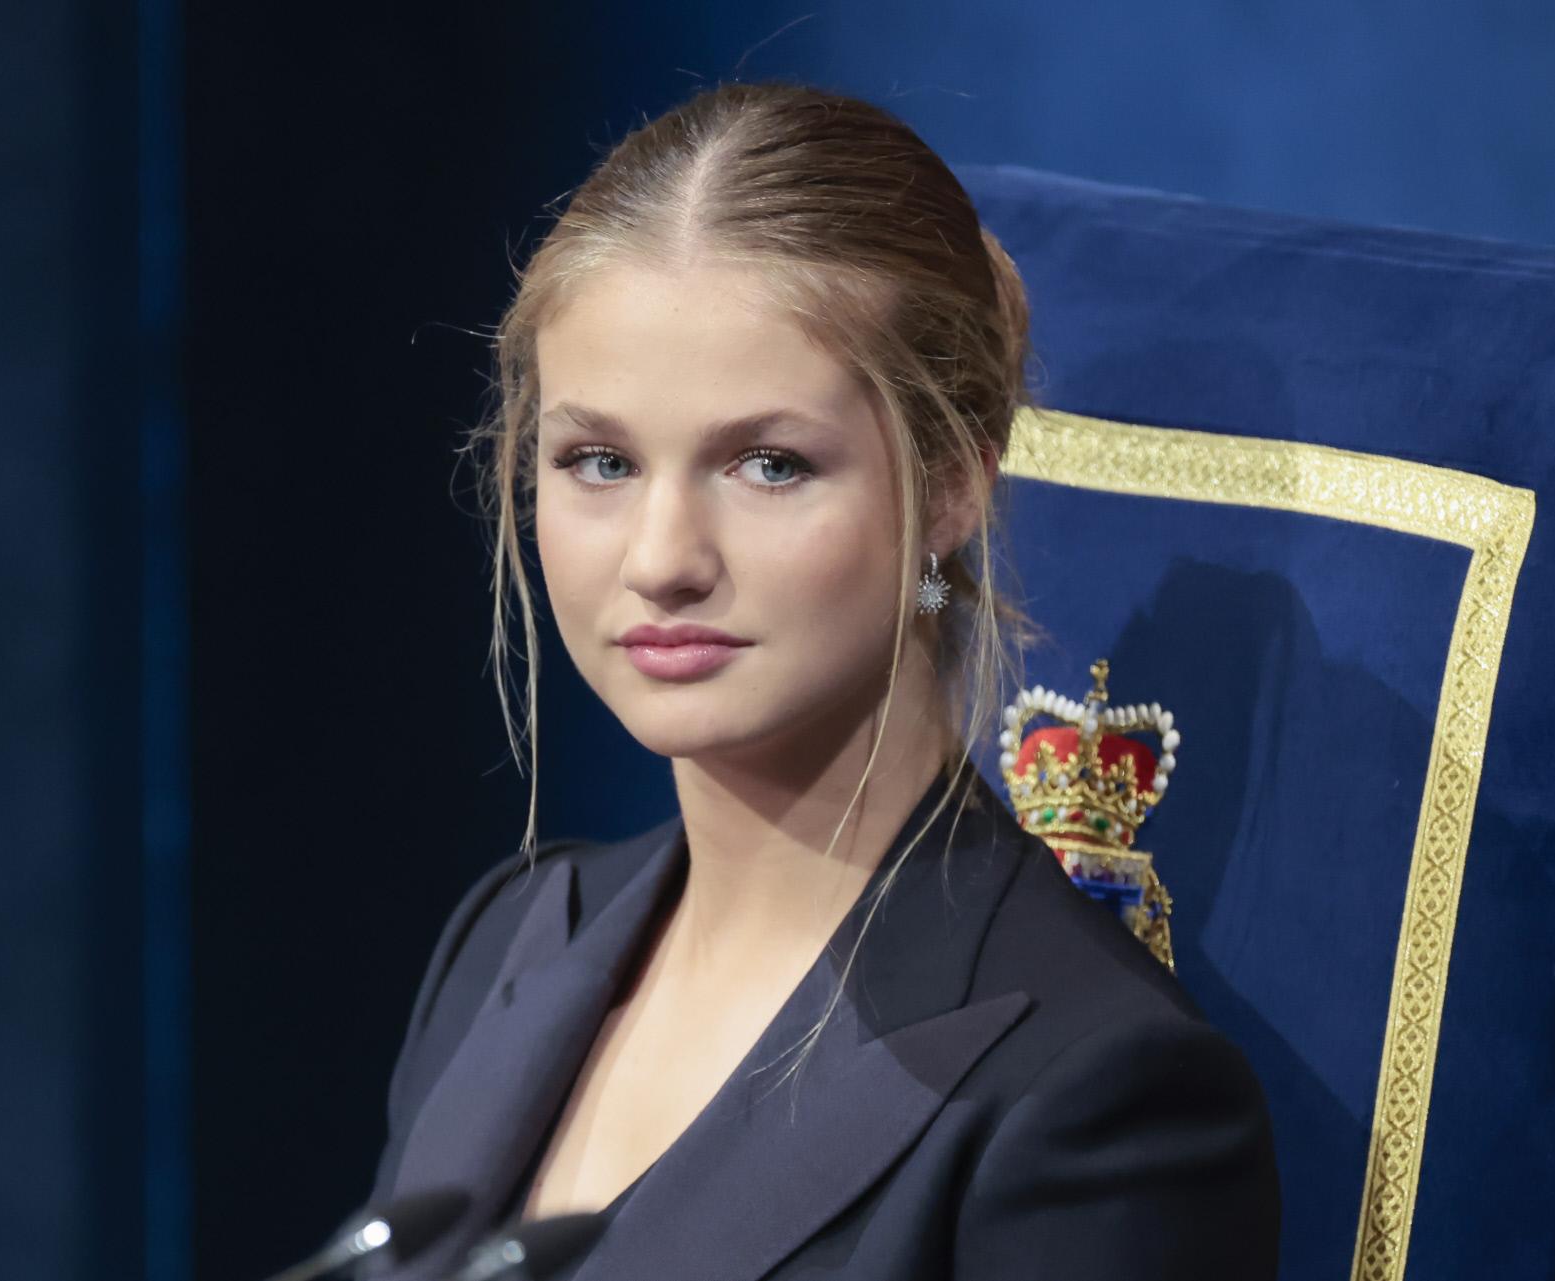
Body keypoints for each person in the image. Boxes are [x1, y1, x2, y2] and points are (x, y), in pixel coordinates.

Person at [365, 79, 1280, 1281]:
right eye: (600, 461)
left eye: (768, 464)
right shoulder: (506, 945)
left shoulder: (1099, 1104)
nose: (661, 560)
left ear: (951, 485)